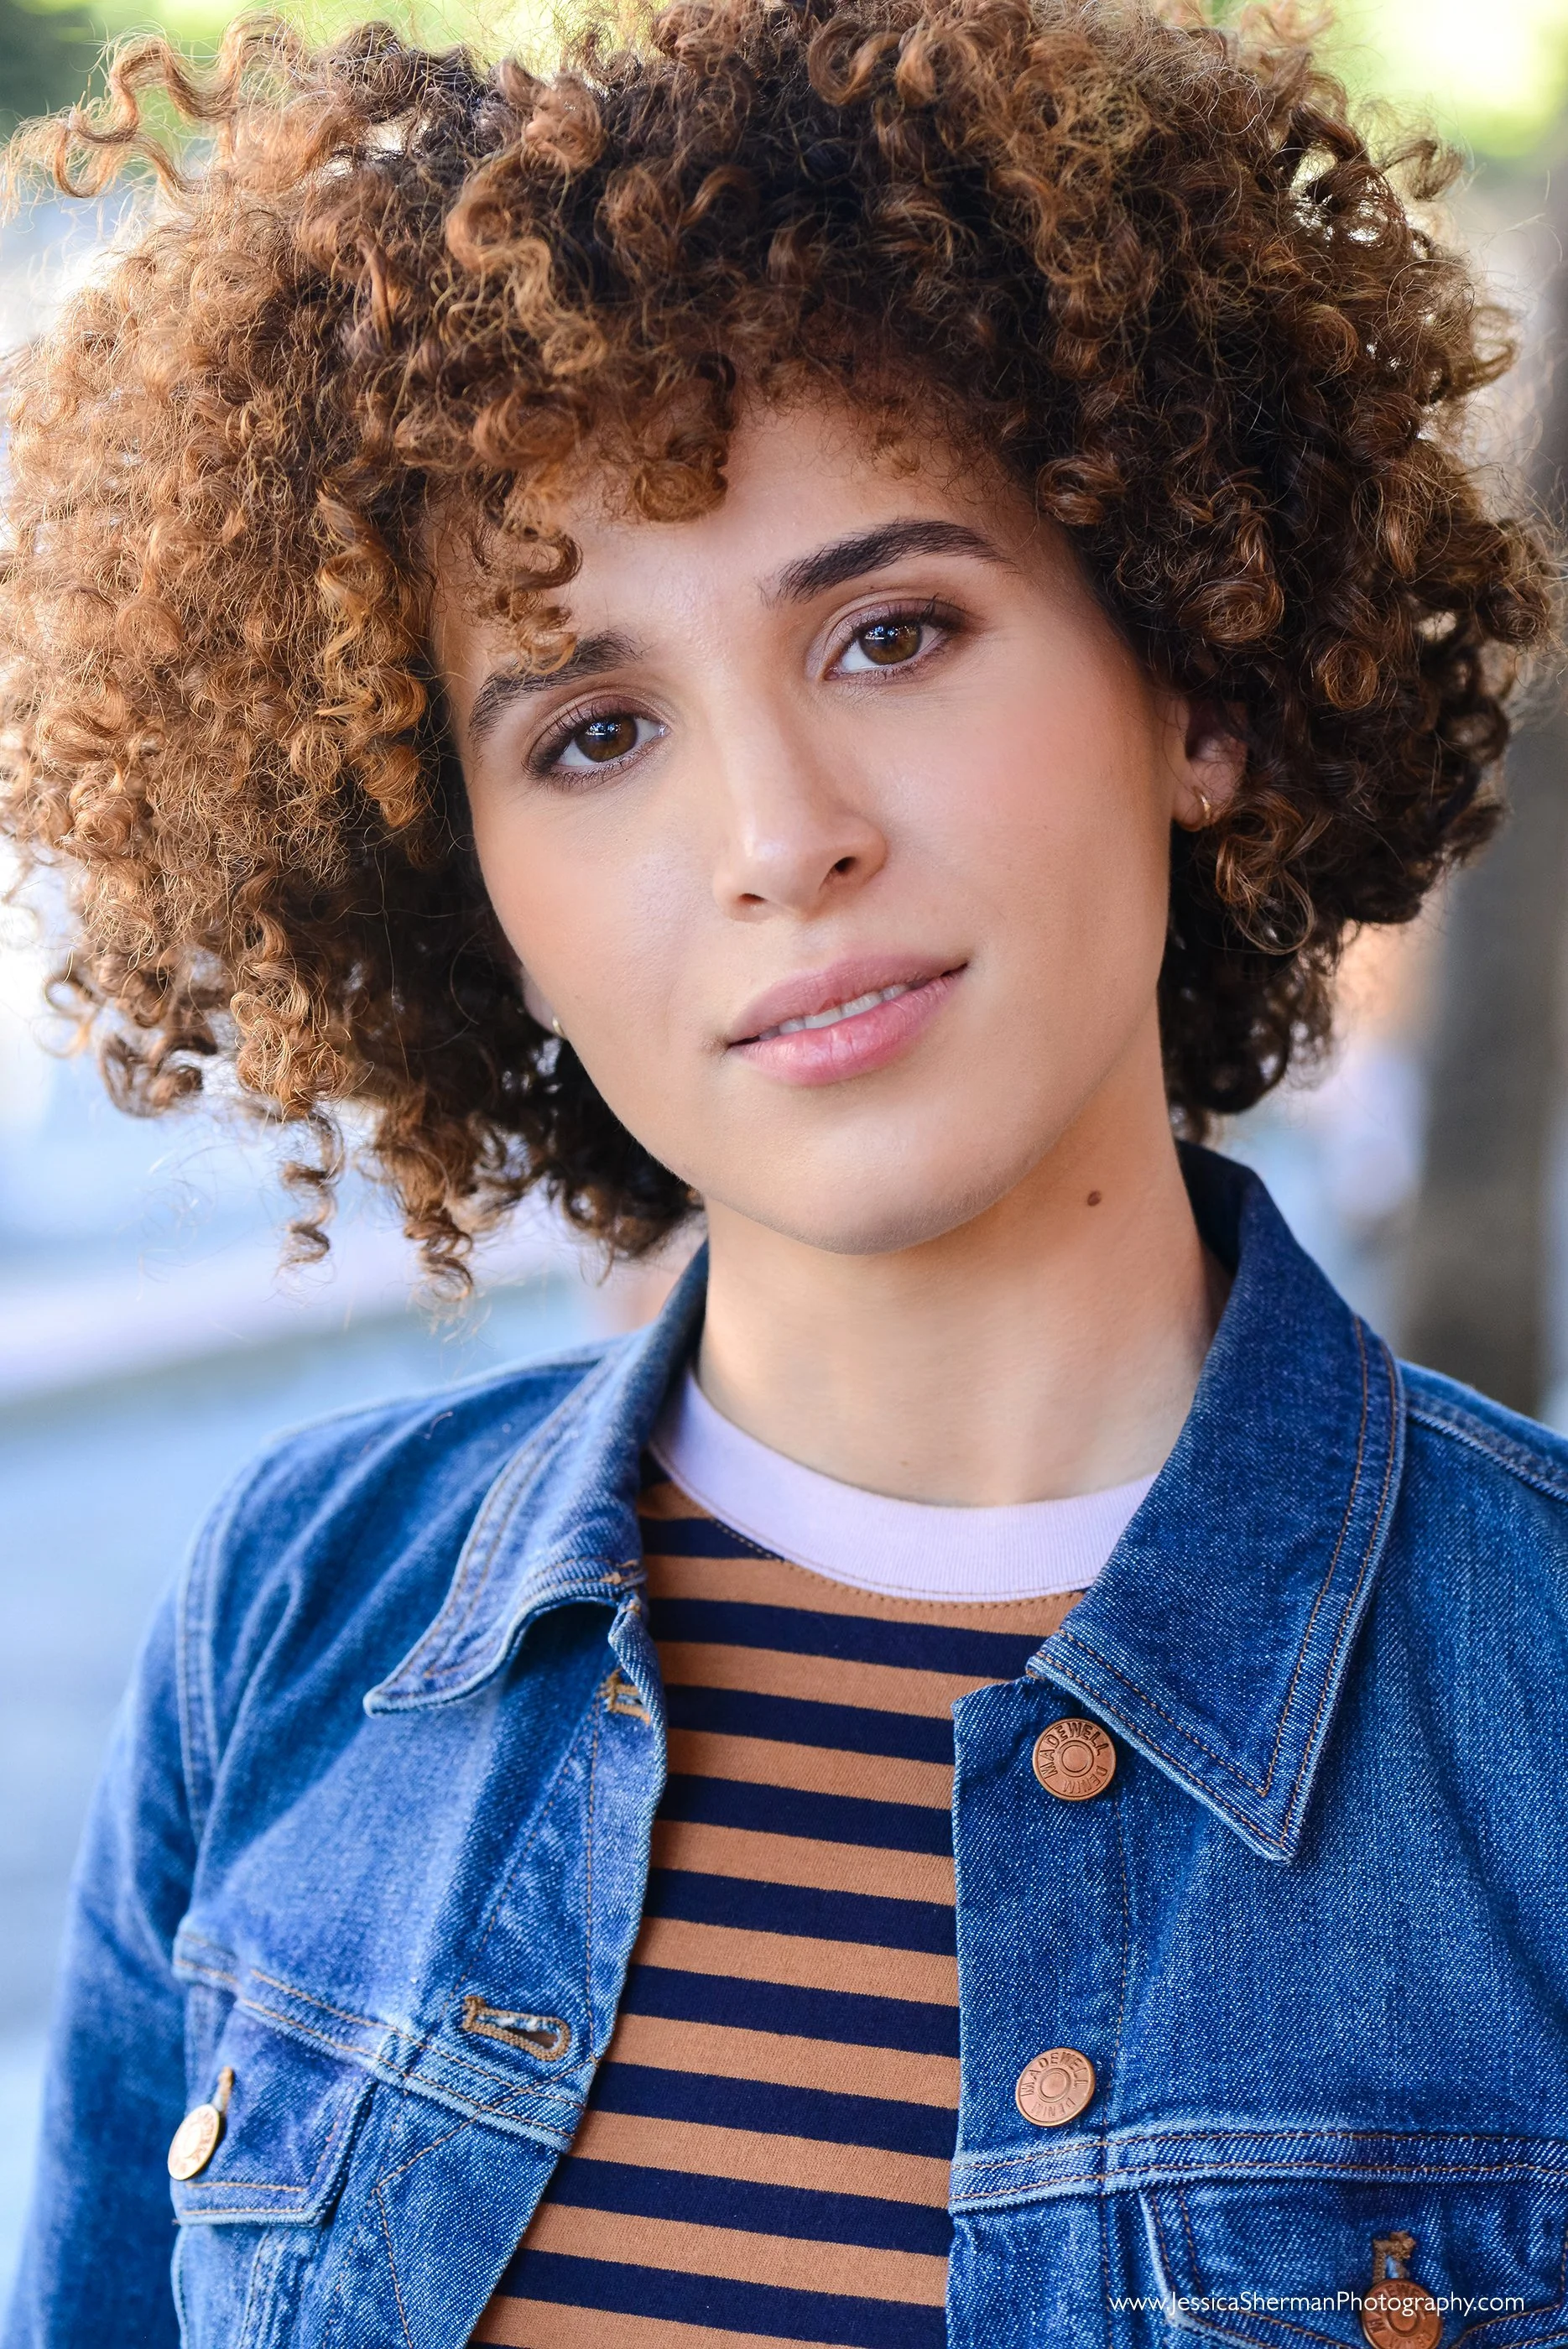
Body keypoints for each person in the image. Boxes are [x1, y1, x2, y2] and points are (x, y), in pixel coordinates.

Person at [2, 1, 1563, 2342]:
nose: (775, 839)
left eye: (893, 629)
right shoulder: (297, 1626)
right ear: (465, 887)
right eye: (595, 730)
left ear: (1199, 682)